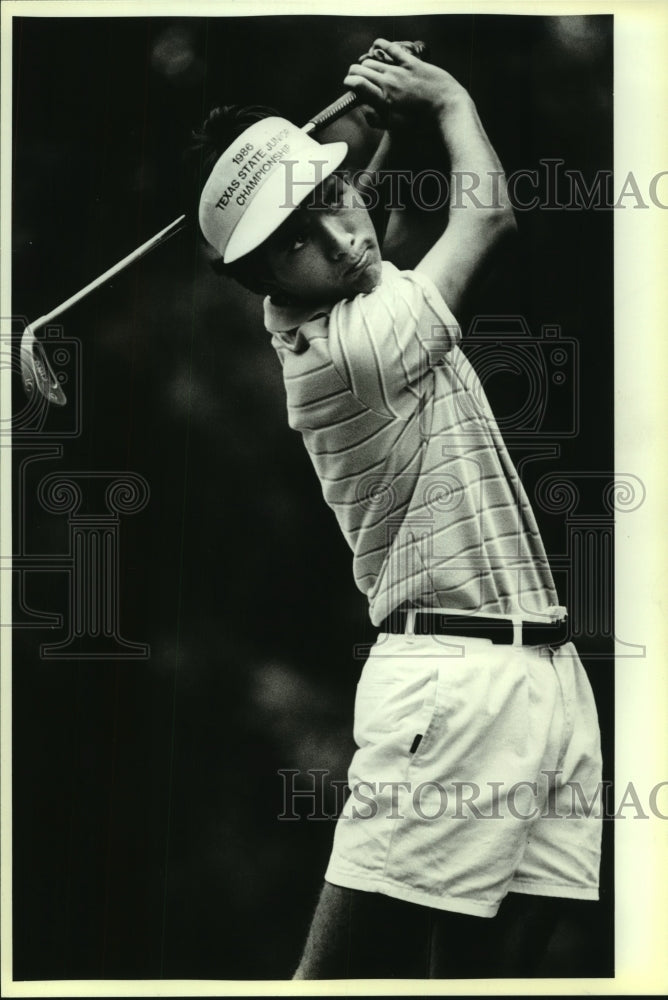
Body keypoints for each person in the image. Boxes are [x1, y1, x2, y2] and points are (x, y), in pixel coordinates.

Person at [193, 38, 602, 979]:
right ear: (258, 279)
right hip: (449, 690)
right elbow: (488, 217)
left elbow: (355, 238)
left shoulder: (347, 298)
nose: (343, 239)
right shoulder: (354, 350)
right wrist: (446, 100)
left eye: (334, 198)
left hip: (544, 671)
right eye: (296, 240)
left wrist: (381, 142)